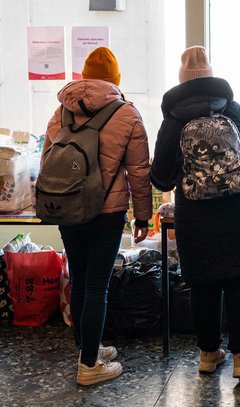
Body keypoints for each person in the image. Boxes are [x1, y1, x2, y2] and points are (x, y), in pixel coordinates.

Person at [150, 46, 240, 379]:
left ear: (182, 79)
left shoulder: (174, 119)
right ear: (211, 75)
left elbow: (159, 174)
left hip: (195, 213)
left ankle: (207, 354)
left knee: (203, 283)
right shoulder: (232, 108)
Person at [42, 46, 152, 385]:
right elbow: (139, 172)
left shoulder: (62, 111)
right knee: (96, 285)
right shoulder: (127, 114)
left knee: (79, 279)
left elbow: (47, 157)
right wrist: (143, 217)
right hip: (107, 211)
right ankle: (89, 365)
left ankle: (85, 348)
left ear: (85, 75)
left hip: (66, 207)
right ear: (116, 80)